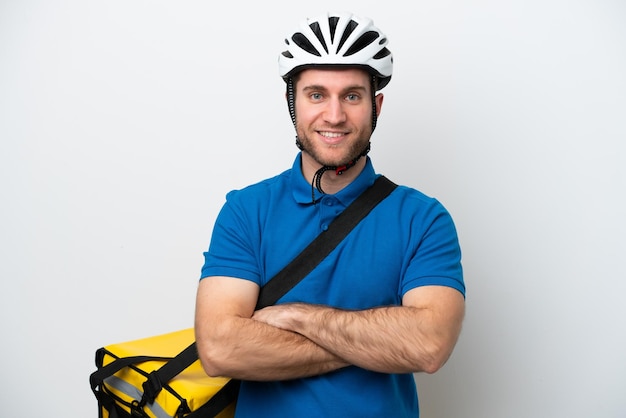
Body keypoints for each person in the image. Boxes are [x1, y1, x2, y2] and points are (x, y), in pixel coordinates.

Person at [194, 11, 466, 418]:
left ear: (376, 106)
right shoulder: (246, 211)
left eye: (352, 96)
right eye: (317, 94)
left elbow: (429, 345)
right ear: (293, 103)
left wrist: (296, 316)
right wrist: (378, 342)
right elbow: (218, 348)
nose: (335, 115)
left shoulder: (423, 219)